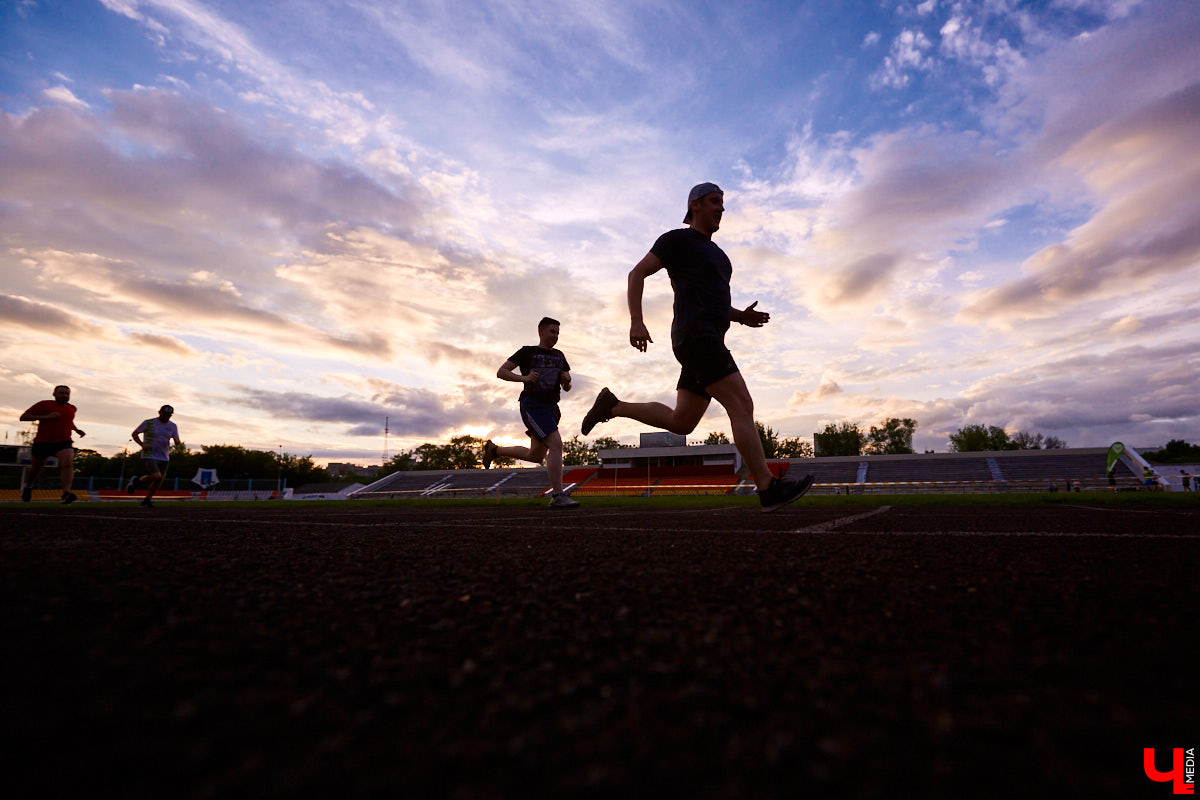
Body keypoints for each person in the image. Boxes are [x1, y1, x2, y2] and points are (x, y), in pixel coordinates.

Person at [580, 182, 813, 512]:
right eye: (714, 201)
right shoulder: (676, 240)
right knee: (741, 404)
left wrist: (741, 318)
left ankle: (612, 406)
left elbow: (715, 304)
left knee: (682, 422)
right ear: (695, 205)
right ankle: (767, 486)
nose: (721, 208)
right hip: (695, 337)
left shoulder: (722, 258)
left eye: (723, 203)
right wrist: (636, 320)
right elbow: (637, 274)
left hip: (708, 339)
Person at [481, 317, 580, 509]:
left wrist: (567, 381)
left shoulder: (560, 356)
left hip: (552, 408)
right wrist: (524, 378)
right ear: (541, 331)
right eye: (552, 331)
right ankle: (558, 495)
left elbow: (566, 387)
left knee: (535, 456)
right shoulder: (528, 351)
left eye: (558, 333)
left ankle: (494, 450)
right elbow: (501, 372)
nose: (555, 336)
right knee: (556, 444)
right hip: (533, 406)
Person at [19, 385, 86, 504]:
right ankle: (28, 486)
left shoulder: (72, 408)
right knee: (36, 469)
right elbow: (23, 417)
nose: (64, 395)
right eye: (61, 393)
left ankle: (66, 493)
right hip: (43, 442)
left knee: (68, 464)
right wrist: (46, 417)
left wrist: (76, 429)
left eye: (67, 393)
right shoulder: (44, 404)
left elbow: (68, 421)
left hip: (64, 441)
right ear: (54, 394)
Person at [126, 405, 182, 508]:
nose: (166, 417)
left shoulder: (173, 426)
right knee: (157, 476)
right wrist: (142, 445)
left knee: (158, 480)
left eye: (169, 415)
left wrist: (177, 441)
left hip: (164, 456)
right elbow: (134, 434)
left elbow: (176, 438)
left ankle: (147, 500)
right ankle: (137, 481)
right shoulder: (149, 422)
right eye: (165, 414)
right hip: (149, 454)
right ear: (159, 412)